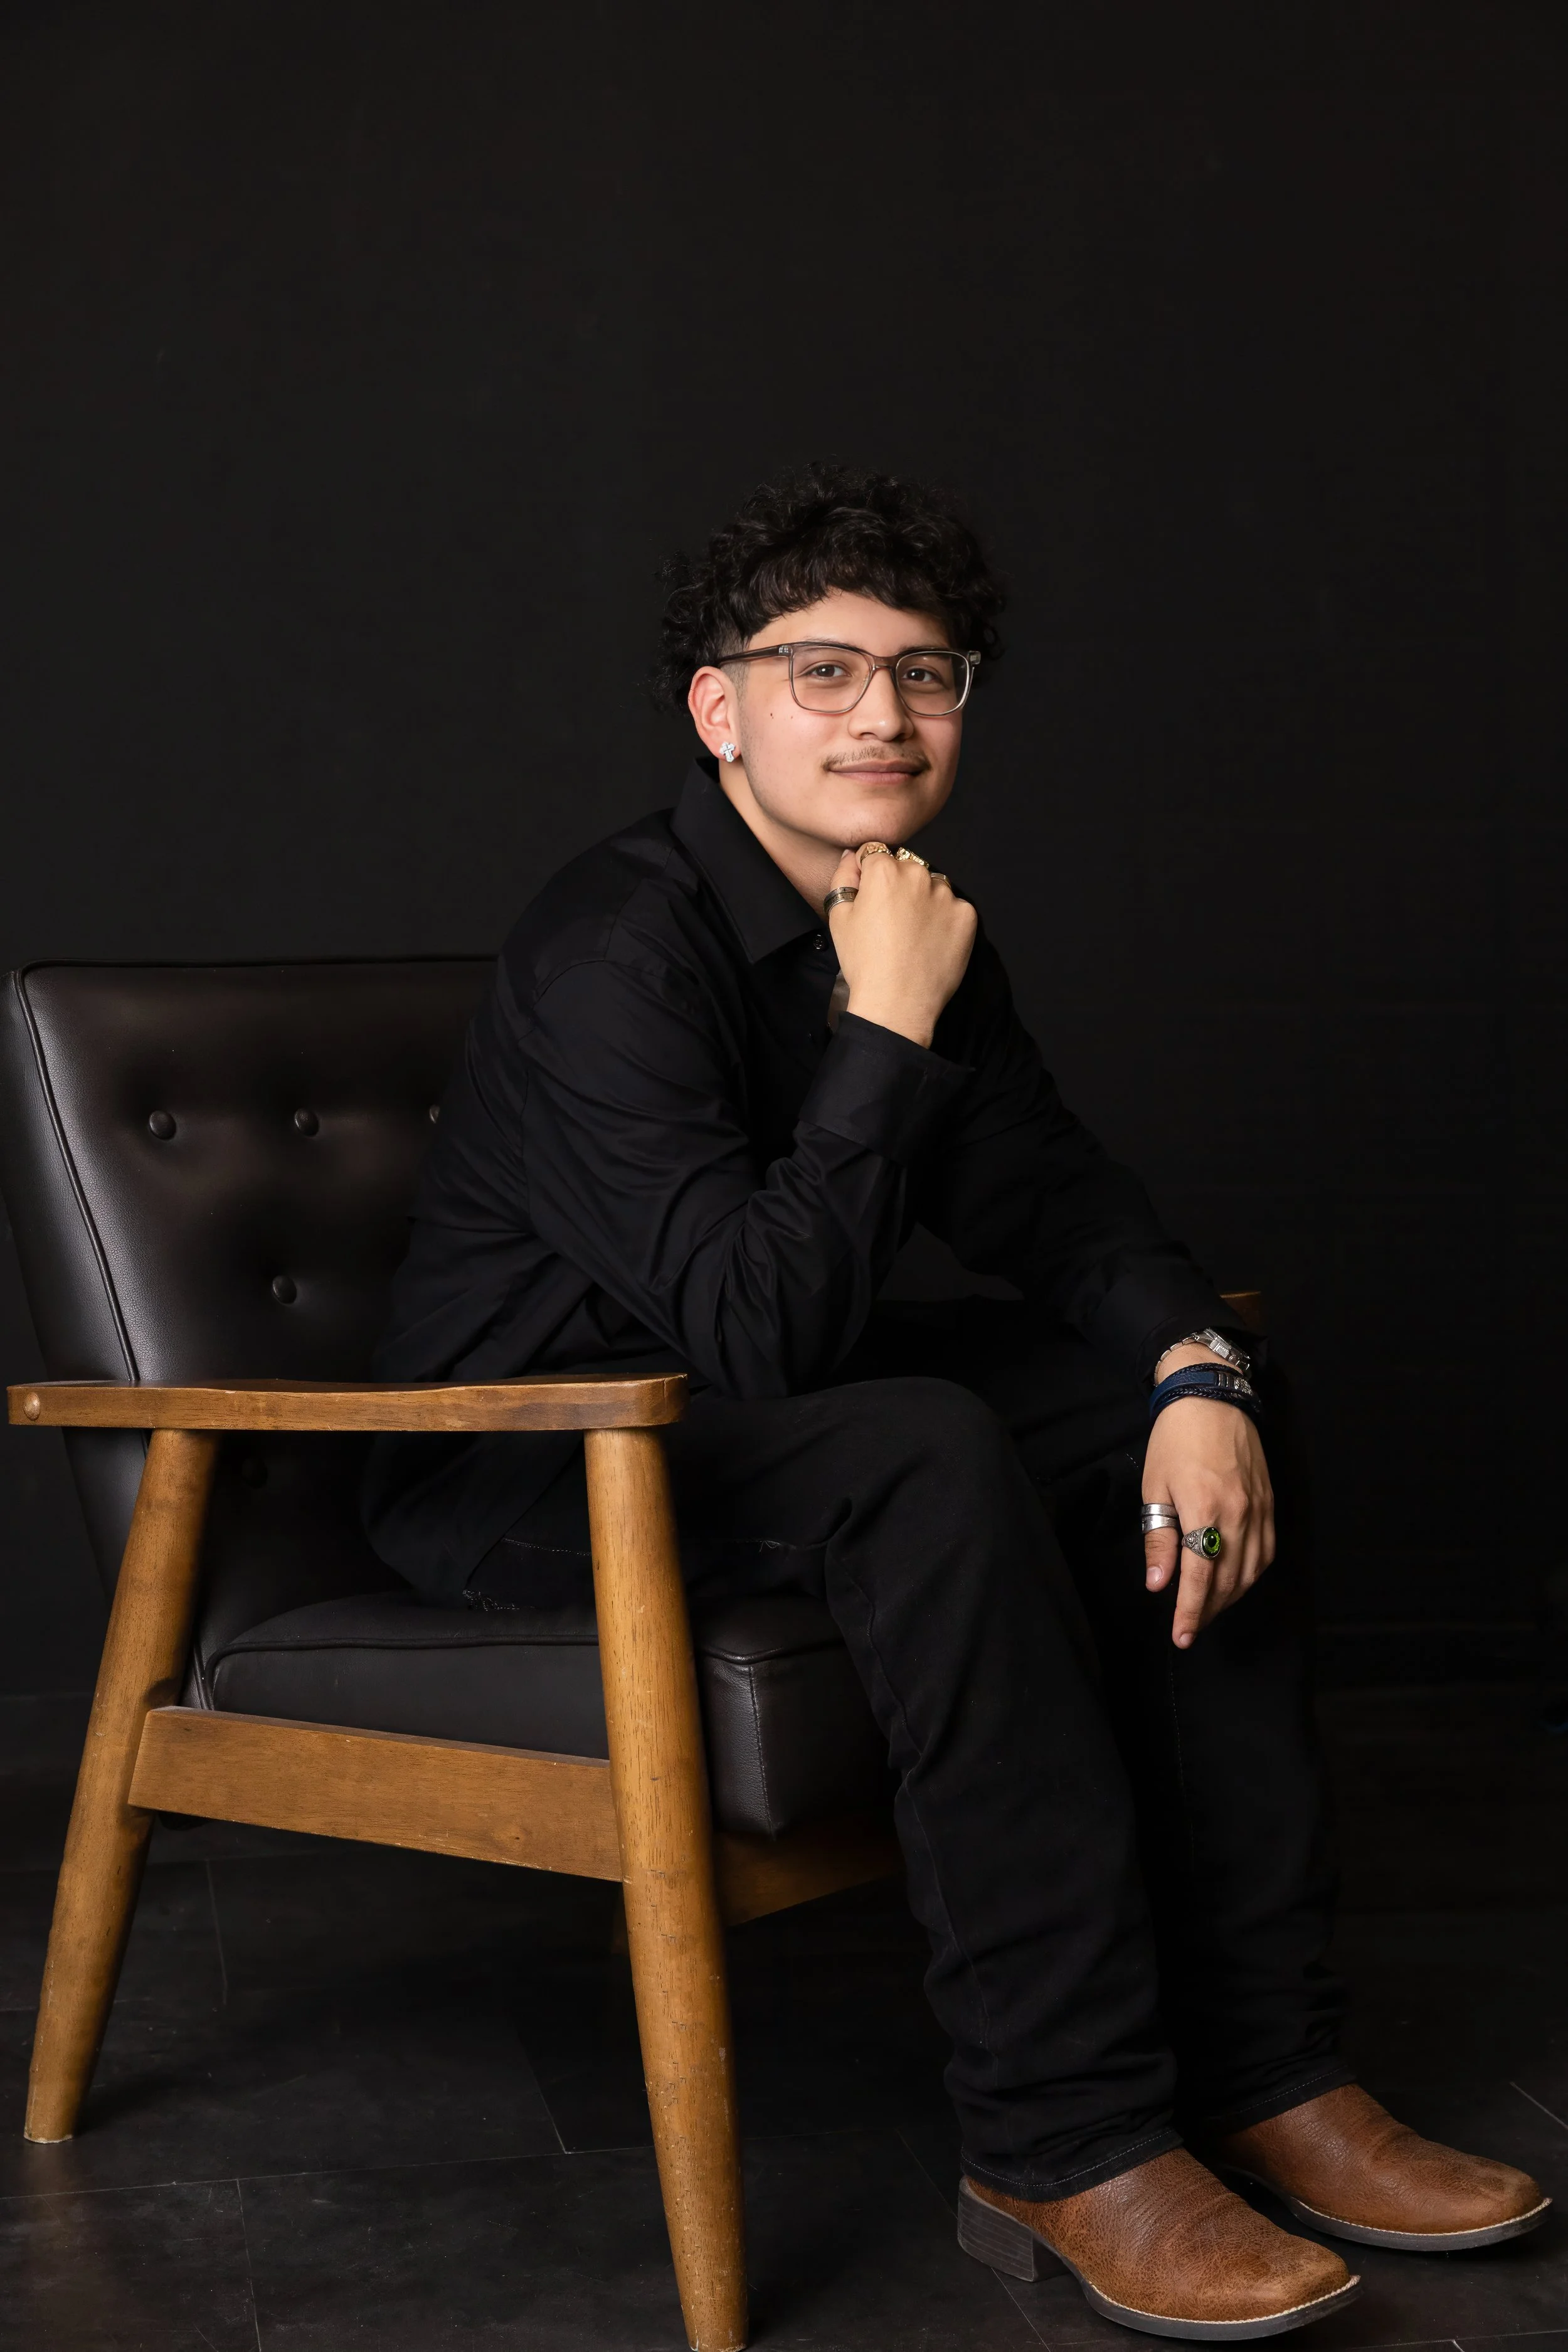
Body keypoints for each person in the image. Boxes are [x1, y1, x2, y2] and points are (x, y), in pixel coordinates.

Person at [364, 466, 1546, 2339]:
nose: (883, 717)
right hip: (524, 1461)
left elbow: (1063, 1207)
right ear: (718, 706)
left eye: (924, 674)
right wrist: (883, 1028)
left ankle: (1264, 2067)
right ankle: (1065, 2136)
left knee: (1191, 1412)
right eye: (820, 670)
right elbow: (756, 1328)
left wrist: (1191, 1369)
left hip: (755, 1412)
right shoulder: (618, 944)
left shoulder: (904, 913)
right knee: (922, 1441)